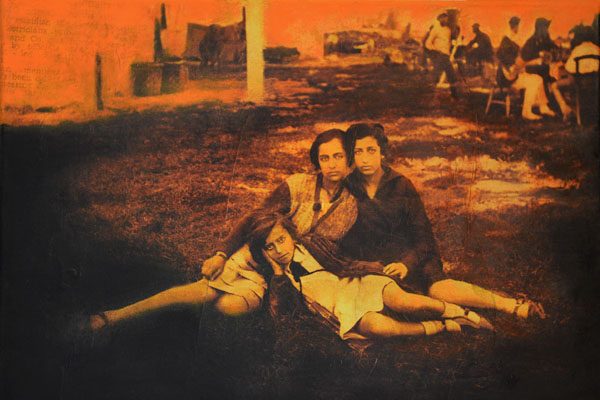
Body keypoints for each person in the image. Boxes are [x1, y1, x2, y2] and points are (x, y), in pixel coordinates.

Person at [339, 123, 546, 319]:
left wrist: (406, 264)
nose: (365, 159)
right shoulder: (348, 187)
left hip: (413, 260)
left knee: (440, 290)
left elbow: (425, 240)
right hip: (377, 265)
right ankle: (457, 315)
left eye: (371, 150)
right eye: (358, 152)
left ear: (381, 151)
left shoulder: (401, 185)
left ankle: (509, 305)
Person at [251, 212, 492, 341]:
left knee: (403, 300)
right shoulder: (278, 280)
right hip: (339, 307)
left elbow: (344, 263)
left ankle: (460, 312)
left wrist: (372, 267)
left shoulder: (312, 245)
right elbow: (283, 314)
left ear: (292, 235)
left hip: (354, 283)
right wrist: (278, 273)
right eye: (270, 247)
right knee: (379, 328)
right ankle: (439, 327)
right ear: (263, 252)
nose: (279, 250)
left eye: (281, 240)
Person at [496, 18, 556, 120]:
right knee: (535, 81)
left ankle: (543, 107)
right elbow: (504, 59)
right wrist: (513, 68)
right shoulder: (506, 41)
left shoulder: (512, 42)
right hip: (506, 79)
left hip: (512, 75)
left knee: (537, 78)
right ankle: (526, 112)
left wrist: (520, 67)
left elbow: (518, 63)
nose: (517, 28)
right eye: (516, 26)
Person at [521, 18, 573, 119]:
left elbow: (553, 47)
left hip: (542, 68)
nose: (546, 30)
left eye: (547, 27)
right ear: (540, 28)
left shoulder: (545, 39)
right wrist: (538, 55)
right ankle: (549, 105)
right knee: (548, 75)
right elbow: (524, 57)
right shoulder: (531, 41)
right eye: (545, 27)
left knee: (551, 73)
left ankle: (549, 105)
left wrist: (560, 48)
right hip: (531, 68)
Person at [425, 13, 458, 97]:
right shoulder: (435, 29)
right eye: (443, 19)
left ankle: (454, 95)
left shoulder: (448, 30)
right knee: (436, 74)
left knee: (451, 75)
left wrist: (452, 46)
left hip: (446, 55)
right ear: (439, 19)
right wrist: (435, 51)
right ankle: (429, 95)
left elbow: (448, 42)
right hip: (439, 55)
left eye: (446, 19)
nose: (445, 21)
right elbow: (428, 43)